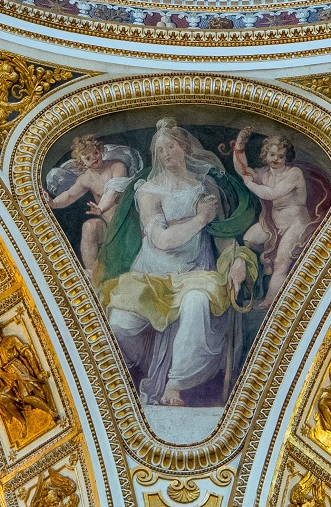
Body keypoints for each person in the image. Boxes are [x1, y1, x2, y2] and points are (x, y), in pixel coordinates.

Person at [99, 118, 261, 407]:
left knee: (197, 302)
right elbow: (161, 240)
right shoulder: (148, 191)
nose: (166, 154)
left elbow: (222, 237)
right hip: (152, 275)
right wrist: (199, 218)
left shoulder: (206, 187)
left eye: (171, 146)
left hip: (195, 273)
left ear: (184, 148)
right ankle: (138, 367)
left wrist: (236, 262)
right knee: (120, 323)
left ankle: (175, 384)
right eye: (160, 150)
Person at [231, 129, 331, 310]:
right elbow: (243, 171)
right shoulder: (264, 174)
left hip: (296, 223)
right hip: (273, 222)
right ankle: (266, 258)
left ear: (286, 157)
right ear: (265, 155)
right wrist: (239, 146)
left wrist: (250, 184)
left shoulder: (294, 174)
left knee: (281, 263)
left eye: (281, 156)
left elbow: (272, 194)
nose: (275, 159)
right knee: (249, 239)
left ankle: (271, 301)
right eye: (272, 155)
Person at [44, 135, 139, 274]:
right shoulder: (85, 179)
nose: (94, 158)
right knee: (89, 227)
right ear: (81, 162)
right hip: (108, 226)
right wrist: (52, 203)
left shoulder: (117, 166)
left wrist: (101, 208)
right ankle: (93, 274)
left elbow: (112, 192)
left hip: (128, 224)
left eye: (96, 152)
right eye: (87, 158)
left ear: (101, 150)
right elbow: (69, 196)